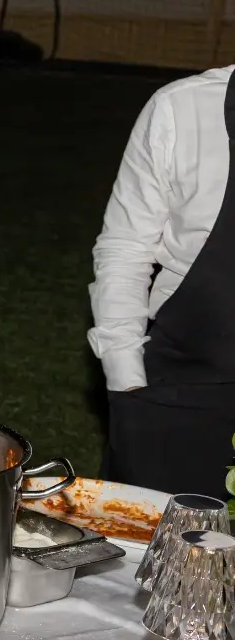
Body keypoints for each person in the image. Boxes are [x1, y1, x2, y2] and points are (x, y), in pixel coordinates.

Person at [91, 65, 235, 499]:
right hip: (182, 396)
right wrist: (126, 380)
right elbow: (126, 246)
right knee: (156, 562)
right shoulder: (182, 109)